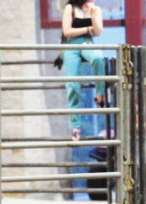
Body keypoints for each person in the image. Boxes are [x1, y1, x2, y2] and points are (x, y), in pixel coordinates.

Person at [61, 0, 105, 141]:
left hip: (87, 42)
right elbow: (67, 31)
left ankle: (100, 95)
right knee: (72, 84)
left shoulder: (96, 9)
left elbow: (98, 32)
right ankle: (75, 126)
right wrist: (87, 29)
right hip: (71, 46)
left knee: (98, 58)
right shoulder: (70, 8)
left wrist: (93, 16)